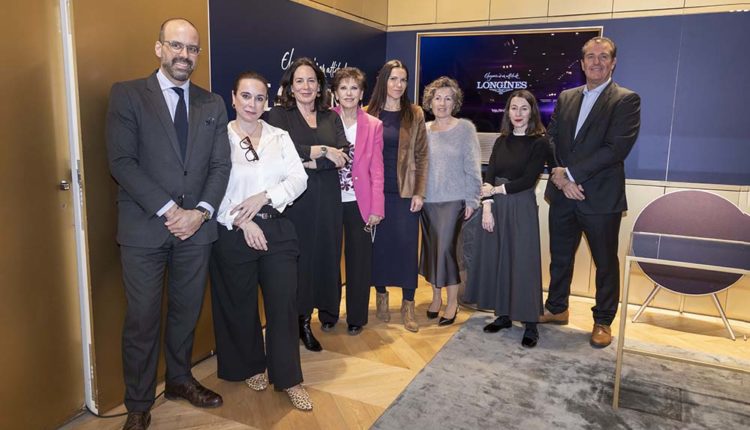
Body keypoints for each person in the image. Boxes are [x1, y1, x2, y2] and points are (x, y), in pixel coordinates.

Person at [106, 18, 230, 430]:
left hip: (197, 230)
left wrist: (201, 211)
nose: (184, 55)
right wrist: (169, 211)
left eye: (192, 48)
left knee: (186, 311)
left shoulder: (213, 103)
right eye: (176, 45)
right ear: (159, 48)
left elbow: (220, 165)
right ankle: (138, 403)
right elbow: (122, 162)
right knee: (142, 318)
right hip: (144, 229)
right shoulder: (128, 95)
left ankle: (178, 380)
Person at [209, 71, 312, 410]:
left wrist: (265, 197)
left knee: (283, 306)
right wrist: (243, 221)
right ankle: (251, 366)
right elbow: (210, 188)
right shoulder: (217, 137)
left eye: (259, 98)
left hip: (277, 230)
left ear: (267, 102)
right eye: (246, 96)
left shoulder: (279, 137)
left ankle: (289, 378)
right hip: (232, 231)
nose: (252, 104)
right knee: (238, 305)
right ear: (233, 98)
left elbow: (298, 180)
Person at [541, 36, 641, 348]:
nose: (596, 62)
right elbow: (551, 138)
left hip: (600, 198)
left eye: (603, 56)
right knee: (560, 257)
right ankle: (557, 308)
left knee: (605, 263)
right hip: (562, 194)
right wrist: (561, 179)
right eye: (591, 57)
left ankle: (603, 321)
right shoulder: (566, 97)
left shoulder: (626, 100)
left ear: (613, 62)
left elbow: (615, 149)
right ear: (582, 63)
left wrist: (571, 174)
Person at [266, 57, 350, 351]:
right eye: (299, 81)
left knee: (323, 257)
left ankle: (312, 316)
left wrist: (311, 161)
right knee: (298, 261)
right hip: (296, 202)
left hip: (328, 201)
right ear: (290, 87)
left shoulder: (331, 117)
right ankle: (297, 321)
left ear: (319, 86)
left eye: (311, 80)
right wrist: (324, 150)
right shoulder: (279, 116)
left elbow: (344, 154)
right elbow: (281, 152)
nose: (305, 86)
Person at [463, 90, 549, 348]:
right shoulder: (501, 141)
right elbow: (490, 173)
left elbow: (528, 180)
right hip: (497, 206)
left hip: (521, 205)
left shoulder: (540, 143)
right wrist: (487, 206)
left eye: (524, 108)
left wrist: (496, 191)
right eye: (514, 108)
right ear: (507, 112)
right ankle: (503, 315)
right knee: (499, 258)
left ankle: (530, 323)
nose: (518, 113)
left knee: (523, 262)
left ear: (532, 112)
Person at [367, 60, 429, 333]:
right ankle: (381, 297)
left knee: (406, 249)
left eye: (403, 80)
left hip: (405, 193)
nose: (398, 85)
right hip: (376, 192)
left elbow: (422, 155)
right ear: (383, 81)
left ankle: (408, 305)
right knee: (378, 248)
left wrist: (420, 192)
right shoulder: (368, 113)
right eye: (393, 79)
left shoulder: (415, 114)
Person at [419, 77, 481, 326]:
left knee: (446, 251)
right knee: (432, 251)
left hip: (454, 201)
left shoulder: (465, 128)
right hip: (428, 201)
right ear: (430, 101)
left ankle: (452, 302)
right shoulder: (424, 129)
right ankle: (436, 298)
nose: (442, 103)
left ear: (455, 103)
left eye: (448, 98)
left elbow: (473, 166)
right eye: (437, 98)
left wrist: (472, 199)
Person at [331, 67, 385, 336]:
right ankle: (329, 312)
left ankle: (356, 317)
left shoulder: (373, 125)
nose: (349, 93)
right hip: (329, 202)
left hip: (359, 203)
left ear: (362, 93)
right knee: (329, 260)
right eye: (343, 88)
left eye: (354, 88)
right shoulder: (326, 119)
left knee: (359, 262)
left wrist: (377, 207)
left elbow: (377, 169)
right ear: (335, 93)